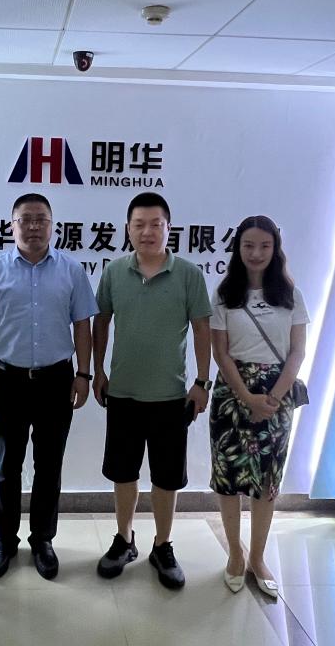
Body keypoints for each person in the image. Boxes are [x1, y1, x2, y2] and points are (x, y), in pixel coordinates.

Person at [0, 193, 97, 581]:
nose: (34, 226)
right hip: (7, 380)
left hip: (57, 380)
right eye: (26, 219)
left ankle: (43, 540)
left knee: (49, 465)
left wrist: (84, 374)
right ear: (13, 225)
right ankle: (4, 541)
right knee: (7, 466)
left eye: (41, 219)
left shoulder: (71, 270)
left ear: (52, 225)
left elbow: (83, 326)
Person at [92, 192, 212, 590]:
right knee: (123, 473)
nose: (147, 232)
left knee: (166, 477)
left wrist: (202, 382)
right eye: (139, 225)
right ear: (127, 229)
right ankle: (124, 539)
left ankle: (162, 545)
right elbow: (101, 323)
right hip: (123, 393)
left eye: (155, 224)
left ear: (168, 228)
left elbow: (202, 330)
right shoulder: (114, 272)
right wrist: (97, 371)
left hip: (171, 396)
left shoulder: (189, 275)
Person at [209, 215, 308, 598]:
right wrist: (247, 397)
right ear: (238, 248)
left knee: (266, 482)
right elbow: (221, 352)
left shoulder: (291, 295)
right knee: (229, 479)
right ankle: (235, 555)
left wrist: (273, 398)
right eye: (248, 245)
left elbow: (297, 351)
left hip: (277, 393)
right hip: (232, 395)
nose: (256, 253)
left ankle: (258, 558)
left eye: (264, 246)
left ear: (275, 248)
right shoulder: (224, 293)